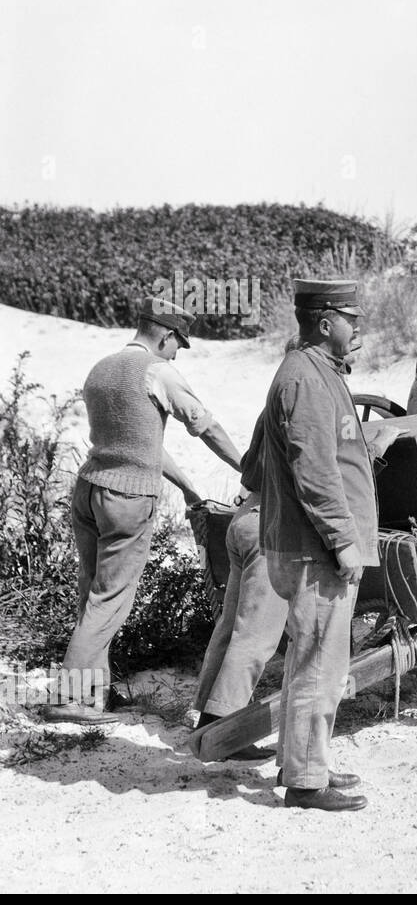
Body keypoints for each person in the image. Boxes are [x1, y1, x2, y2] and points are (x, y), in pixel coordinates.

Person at [42, 299, 243, 724]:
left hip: (89, 489)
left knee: (92, 594)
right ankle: (67, 698)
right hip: (127, 500)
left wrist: (189, 489)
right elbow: (205, 425)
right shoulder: (158, 371)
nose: (177, 353)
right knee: (110, 600)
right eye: (178, 345)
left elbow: (140, 444)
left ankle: (93, 695)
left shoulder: (102, 368)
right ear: (166, 335)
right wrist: (247, 466)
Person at [260, 278, 392, 812]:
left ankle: (305, 763)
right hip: (315, 552)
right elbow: (315, 472)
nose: (358, 327)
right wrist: (343, 542)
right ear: (323, 322)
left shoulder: (315, 374)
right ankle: (306, 783)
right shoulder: (306, 380)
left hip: (308, 546)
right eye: (350, 318)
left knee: (310, 662)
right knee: (320, 666)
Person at [190, 412, 289, 759]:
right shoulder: (309, 398)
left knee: (230, 628)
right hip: (271, 527)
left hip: (245, 519)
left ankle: (205, 718)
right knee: (256, 636)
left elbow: (249, 461)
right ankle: (227, 732)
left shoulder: (274, 403)